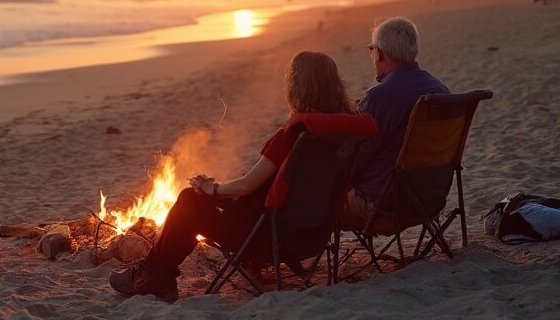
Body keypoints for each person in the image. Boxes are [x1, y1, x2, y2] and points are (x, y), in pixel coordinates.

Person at [109, 51, 374, 299]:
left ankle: (154, 276)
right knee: (204, 199)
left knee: (190, 199)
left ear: (296, 87)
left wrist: (211, 189)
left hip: (269, 237)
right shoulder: (346, 132)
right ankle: (155, 270)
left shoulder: (296, 134)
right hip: (314, 235)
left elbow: (247, 185)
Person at [342, 17, 449, 231]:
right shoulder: (441, 90)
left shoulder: (379, 97)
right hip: (429, 200)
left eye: (371, 49)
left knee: (318, 195)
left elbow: (358, 156)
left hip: (382, 205)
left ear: (379, 53)